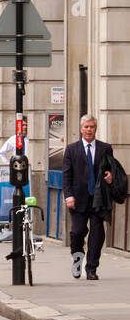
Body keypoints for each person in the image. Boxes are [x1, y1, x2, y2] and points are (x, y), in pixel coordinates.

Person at [61, 114, 116, 280]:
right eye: (86, 127)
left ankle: (92, 268)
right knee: (77, 232)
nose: (89, 130)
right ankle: (77, 261)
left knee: (97, 235)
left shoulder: (105, 148)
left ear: (95, 129)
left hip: (99, 199)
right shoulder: (71, 149)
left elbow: (112, 168)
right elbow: (66, 175)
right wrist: (68, 195)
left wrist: (111, 177)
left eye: (92, 127)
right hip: (78, 199)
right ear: (81, 129)